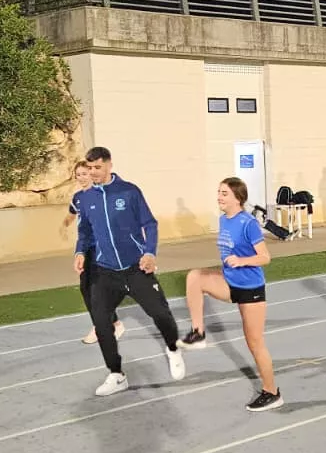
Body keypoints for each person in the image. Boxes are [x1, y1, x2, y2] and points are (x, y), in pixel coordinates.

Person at [73, 146, 186, 395]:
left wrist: (149, 252)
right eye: (89, 168)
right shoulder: (87, 198)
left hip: (135, 268)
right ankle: (116, 374)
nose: (92, 173)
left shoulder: (129, 191)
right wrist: (80, 252)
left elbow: (150, 224)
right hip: (105, 272)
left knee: (161, 314)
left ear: (109, 165)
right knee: (102, 323)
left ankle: (173, 349)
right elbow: (85, 232)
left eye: (97, 168)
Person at [179, 177, 281, 411]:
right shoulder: (223, 220)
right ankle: (198, 333)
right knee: (195, 277)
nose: (219, 197)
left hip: (250, 288)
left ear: (238, 198)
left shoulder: (248, 223)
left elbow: (265, 257)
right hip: (229, 281)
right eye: (218, 192)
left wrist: (241, 260)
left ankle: (272, 392)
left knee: (254, 343)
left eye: (224, 193)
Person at [64, 160, 123, 346]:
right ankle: (112, 322)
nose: (82, 177)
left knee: (98, 288)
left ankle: (104, 326)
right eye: (78, 174)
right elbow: (75, 217)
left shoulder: (103, 194)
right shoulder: (78, 198)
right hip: (86, 247)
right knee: (85, 288)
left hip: (102, 248)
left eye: (85, 173)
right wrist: (65, 226)